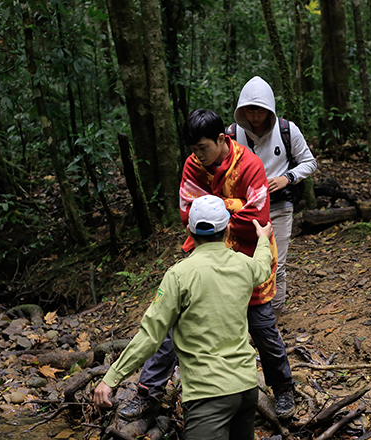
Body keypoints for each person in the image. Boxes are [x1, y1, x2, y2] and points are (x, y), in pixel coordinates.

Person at [119, 109, 297, 422]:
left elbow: (257, 218)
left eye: (203, 148)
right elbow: (190, 214)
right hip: (204, 258)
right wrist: (233, 207)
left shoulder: (250, 165)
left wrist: (214, 208)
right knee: (175, 328)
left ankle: (283, 388)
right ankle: (148, 393)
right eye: (193, 149)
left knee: (262, 326)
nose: (198, 156)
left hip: (247, 258)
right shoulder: (192, 164)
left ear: (221, 138)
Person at [94, 195, 274, 440]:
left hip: (207, 395)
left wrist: (111, 378)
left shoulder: (179, 275)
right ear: (229, 228)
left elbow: (151, 336)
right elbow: (263, 267)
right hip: (246, 388)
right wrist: (263, 239)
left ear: (189, 230)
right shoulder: (244, 265)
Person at [232, 76, 318, 320]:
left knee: (276, 263)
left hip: (279, 205)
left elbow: (309, 162)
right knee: (245, 261)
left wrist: (287, 178)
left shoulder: (286, 130)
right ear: (242, 110)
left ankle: (275, 315)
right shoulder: (231, 134)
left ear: (269, 108)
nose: (255, 116)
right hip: (246, 209)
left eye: (260, 110)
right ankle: (247, 314)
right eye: (250, 110)